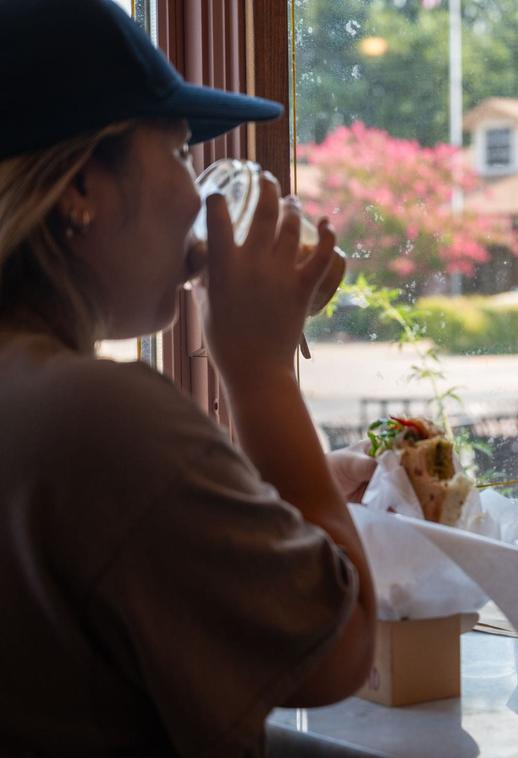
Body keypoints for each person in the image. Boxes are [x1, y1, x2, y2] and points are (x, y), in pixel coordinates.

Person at [0, 1, 382, 754]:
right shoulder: (95, 415)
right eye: (177, 153)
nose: (198, 197)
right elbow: (335, 651)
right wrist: (260, 368)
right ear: (80, 186)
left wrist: (262, 491)